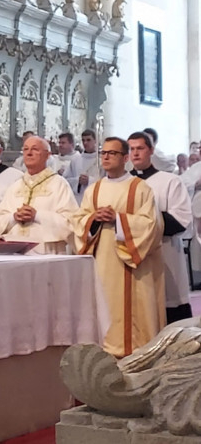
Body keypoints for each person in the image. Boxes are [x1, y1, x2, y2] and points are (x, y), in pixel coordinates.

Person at [73, 136, 164, 358]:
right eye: (103, 153)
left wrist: (119, 220)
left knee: (131, 316)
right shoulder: (93, 190)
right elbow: (78, 222)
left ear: (125, 158)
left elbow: (152, 225)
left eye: (111, 153)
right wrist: (93, 219)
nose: (105, 157)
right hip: (101, 263)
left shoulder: (140, 188)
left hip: (130, 267)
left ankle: (135, 357)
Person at [128, 132, 193, 324]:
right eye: (131, 149)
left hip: (165, 254)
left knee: (169, 309)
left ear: (151, 151)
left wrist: (142, 221)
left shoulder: (169, 181)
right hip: (131, 256)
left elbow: (180, 220)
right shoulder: (123, 183)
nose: (135, 153)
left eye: (140, 148)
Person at [0, 136, 77, 253]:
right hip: (14, 255)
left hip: (46, 254)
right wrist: (14, 217)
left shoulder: (59, 184)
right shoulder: (15, 186)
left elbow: (72, 224)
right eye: (25, 149)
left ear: (47, 155)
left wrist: (37, 216)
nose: (29, 153)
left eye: (35, 149)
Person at [74, 129, 102, 203]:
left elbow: (107, 181)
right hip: (79, 199)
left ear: (95, 141)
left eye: (88, 140)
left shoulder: (101, 160)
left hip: (97, 198)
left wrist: (89, 181)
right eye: (83, 140)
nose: (85, 143)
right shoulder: (76, 160)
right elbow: (67, 180)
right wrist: (78, 181)